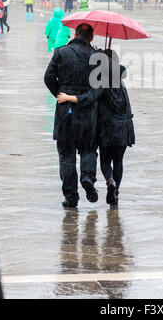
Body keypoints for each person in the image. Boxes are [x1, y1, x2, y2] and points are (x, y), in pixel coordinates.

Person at [56, 49, 135, 207]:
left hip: (108, 128)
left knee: (105, 161)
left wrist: (68, 97)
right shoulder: (120, 79)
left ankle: (110, 180)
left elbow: (90, 97)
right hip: (126, 126)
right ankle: (115, 192)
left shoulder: (103, 80)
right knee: (118, 160)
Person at [44, 23, 102, 208]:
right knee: (89, 149)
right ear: (91, 38)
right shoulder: (97, 57)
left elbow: (48, 78)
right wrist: (83, 99)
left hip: (65, 111)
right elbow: (99, 89)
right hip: (88, 113)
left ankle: (71, 197)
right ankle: (87, 177)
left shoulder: (60, 52)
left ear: (75, 34)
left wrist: (61, 95)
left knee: (67, 155)